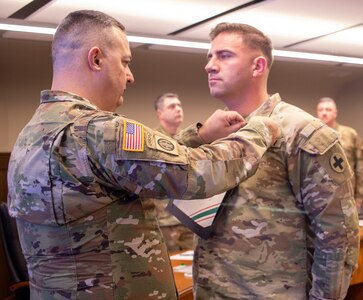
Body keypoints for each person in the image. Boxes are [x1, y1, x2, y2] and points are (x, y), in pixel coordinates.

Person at [6, 11, 280, 300]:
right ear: (96, 59)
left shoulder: (33, 133)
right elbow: (196, 173)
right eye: (125, 62)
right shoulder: (101, 131)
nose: (130, 76)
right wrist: (260, 129)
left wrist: (197, 136)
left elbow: (132, 164)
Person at [191, 22, 360, 300]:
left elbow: (337, 235)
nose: (209, 65)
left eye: (224, 55)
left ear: (257, 66)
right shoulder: (216, 131)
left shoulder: (303, 133)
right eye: (209, 57)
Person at [153, 92, 194, 251]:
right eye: (172, 106)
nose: (178, 109)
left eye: (179, 105)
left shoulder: (190, 140)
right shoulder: (153, 140)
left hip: (189, 218)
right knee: (171, 269)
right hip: (166, 220)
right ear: (160, 113)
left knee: (189, 269)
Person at [317, 97, 363, 210]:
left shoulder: (350, 134)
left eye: (328, 109)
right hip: (318, 196)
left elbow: (361, 167)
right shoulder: (312, 135)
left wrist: (359, 197)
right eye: (321, 110)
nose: (324, 113)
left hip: (346, 195)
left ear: (335, 113)